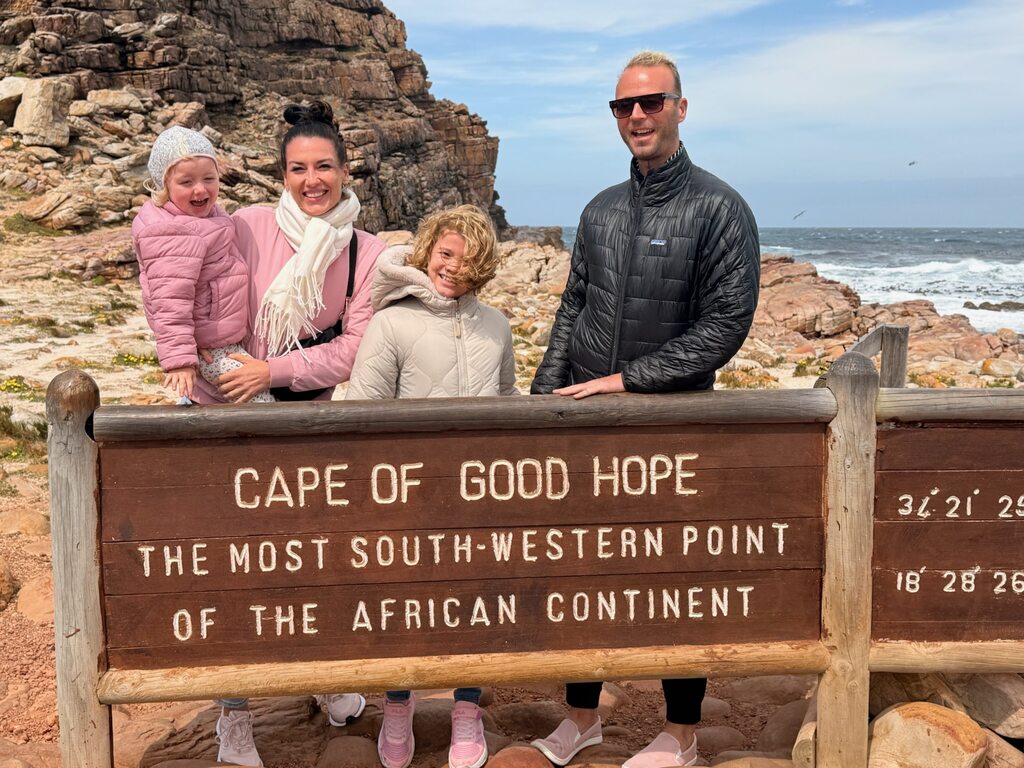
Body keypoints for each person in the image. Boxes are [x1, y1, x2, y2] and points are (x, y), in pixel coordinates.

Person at [529, 50, 761, 768]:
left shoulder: (721, 208)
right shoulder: (599, 209)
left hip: (676, 428)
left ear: (680, 109)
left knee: (674, 578)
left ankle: (683, 735)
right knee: (580, 572)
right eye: (624, 106)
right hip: (588, 423)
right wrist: (543, 399)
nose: (637, 116)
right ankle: (582, 718)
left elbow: (725, 326)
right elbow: (574, 307)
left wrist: (632, 381)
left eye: (652, 102)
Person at [211, 100, 387, 766]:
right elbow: (203, 296)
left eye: (323, 167)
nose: (311, 180)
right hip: (238, 419)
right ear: (281, 175)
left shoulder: (366, 251)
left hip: (315, 421)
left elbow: (353, 350)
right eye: (297, 169)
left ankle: (317, 677)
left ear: (345, 170)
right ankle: (234, 716)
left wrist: (274, 370)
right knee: (243, 570)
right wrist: (229, 374)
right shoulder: (249, 226)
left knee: (316, 560)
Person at [347, 204, 516, 768]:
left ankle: (466, 715)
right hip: (408, 496)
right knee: (404, 604)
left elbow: (509, 405)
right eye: (445, 254)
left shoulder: (497, 325)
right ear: (426, 252)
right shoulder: (392, 321)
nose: (454, 269)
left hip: (479, 495)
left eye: (468, 261)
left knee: (475, 606)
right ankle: (398, 709)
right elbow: (364, 411)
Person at [131, 125, 274, 404]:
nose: (200, 189)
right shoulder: (173, 232)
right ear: (164, 186)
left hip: (219, 341)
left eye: (209, 178)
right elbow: (170, 302)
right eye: (186, 182)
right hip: (208, 349)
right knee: (260, 400)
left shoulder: (205, 217)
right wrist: (182, 361)